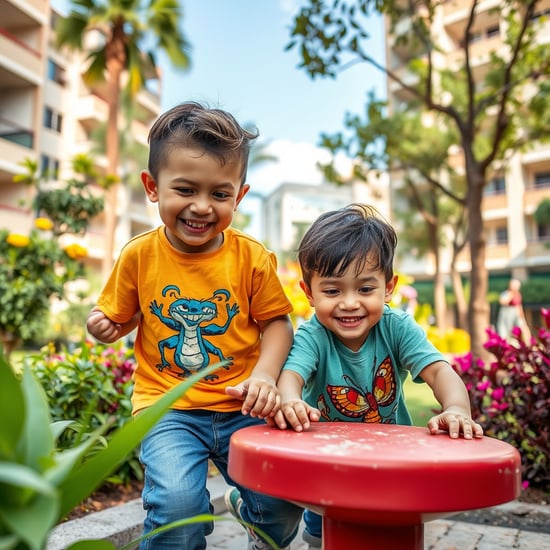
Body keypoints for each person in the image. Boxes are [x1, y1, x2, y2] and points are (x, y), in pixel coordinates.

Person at [86, 102, 303, 550]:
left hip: (244, 406)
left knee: (279, 507)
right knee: (177, 510)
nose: (201, 207)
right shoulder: (138, 256)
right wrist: (106, 326)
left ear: (239, 196)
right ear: (153, 186)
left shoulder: (251, 258)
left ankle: (252, 515)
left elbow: (278, 323)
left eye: (220, 195)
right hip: (166, 408)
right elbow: (124, 315)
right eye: (185, 189)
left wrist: (265, 377)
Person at [270, 204, 484, 549]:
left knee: (389, 530)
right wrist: (291, 400)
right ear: (309, 293)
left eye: (365, 289)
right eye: (332, 291)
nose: (350, 303)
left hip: (387, 460)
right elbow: (291, 375)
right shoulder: (313, 336)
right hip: (325, 461)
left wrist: (457, 407)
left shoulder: (396, 327)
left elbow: (438, 371)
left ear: (388, 287)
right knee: (320, 535)